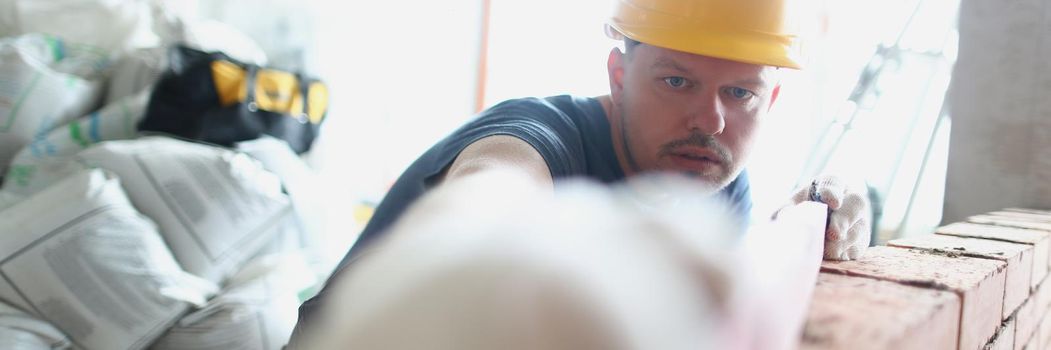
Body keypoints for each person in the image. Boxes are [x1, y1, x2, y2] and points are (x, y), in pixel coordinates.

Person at [289, 0, 871, 345]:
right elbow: (487, 192)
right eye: (676, 81)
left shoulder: (718, 186)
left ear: (768, 104)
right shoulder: (540, 134)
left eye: (739, 92)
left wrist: (806, 229)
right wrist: (478, 240)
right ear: (618, 75)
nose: (710, 121)